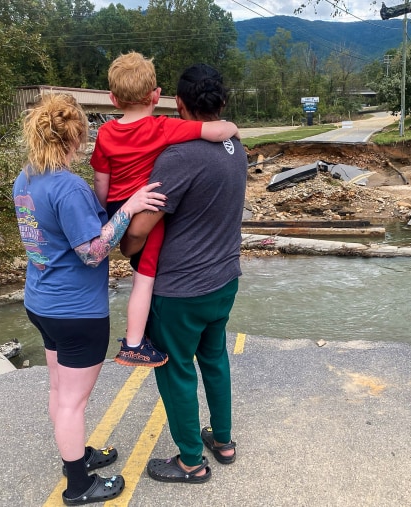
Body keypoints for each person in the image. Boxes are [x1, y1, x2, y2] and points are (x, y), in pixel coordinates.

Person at [13, 93, 166, 505]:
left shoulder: (25, 178)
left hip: (40, 302)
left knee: (59, 391)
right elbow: (92, 251)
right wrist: (129, 207)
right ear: (75, 138)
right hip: (77, 312)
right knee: (72, 402)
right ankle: (79, 486)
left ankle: (76, 457)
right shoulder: (69, 187)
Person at [120, 63, 246, 483]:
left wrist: (125, 248)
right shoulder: (235, 145)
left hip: (182, 290)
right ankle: (223, 440)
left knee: (175, 370)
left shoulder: (179, 157)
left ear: (178, 103)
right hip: (224, 278)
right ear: (222, 104)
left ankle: (190, 460)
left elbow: (141, 226)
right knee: (214, 358)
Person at [90, 51, 239, 368]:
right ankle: (133, 343)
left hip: (119, 208)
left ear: (113, 99)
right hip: (149, 210)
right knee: (144, 279)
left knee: (136, 265)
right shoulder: (162, 128)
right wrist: (233, 130)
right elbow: (211, 131)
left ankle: (132, 341)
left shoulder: (104, 133)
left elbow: (101, 182)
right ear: (157, 96)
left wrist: (108, 219)